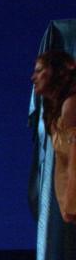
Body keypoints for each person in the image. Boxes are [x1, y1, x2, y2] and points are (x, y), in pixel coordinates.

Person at [32, 50, 76, 224]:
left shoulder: (71, 106)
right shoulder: (55, 116)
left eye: (39, 70)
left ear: (56, 73)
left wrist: (71, 206)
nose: (33, 77)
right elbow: (62, 166)